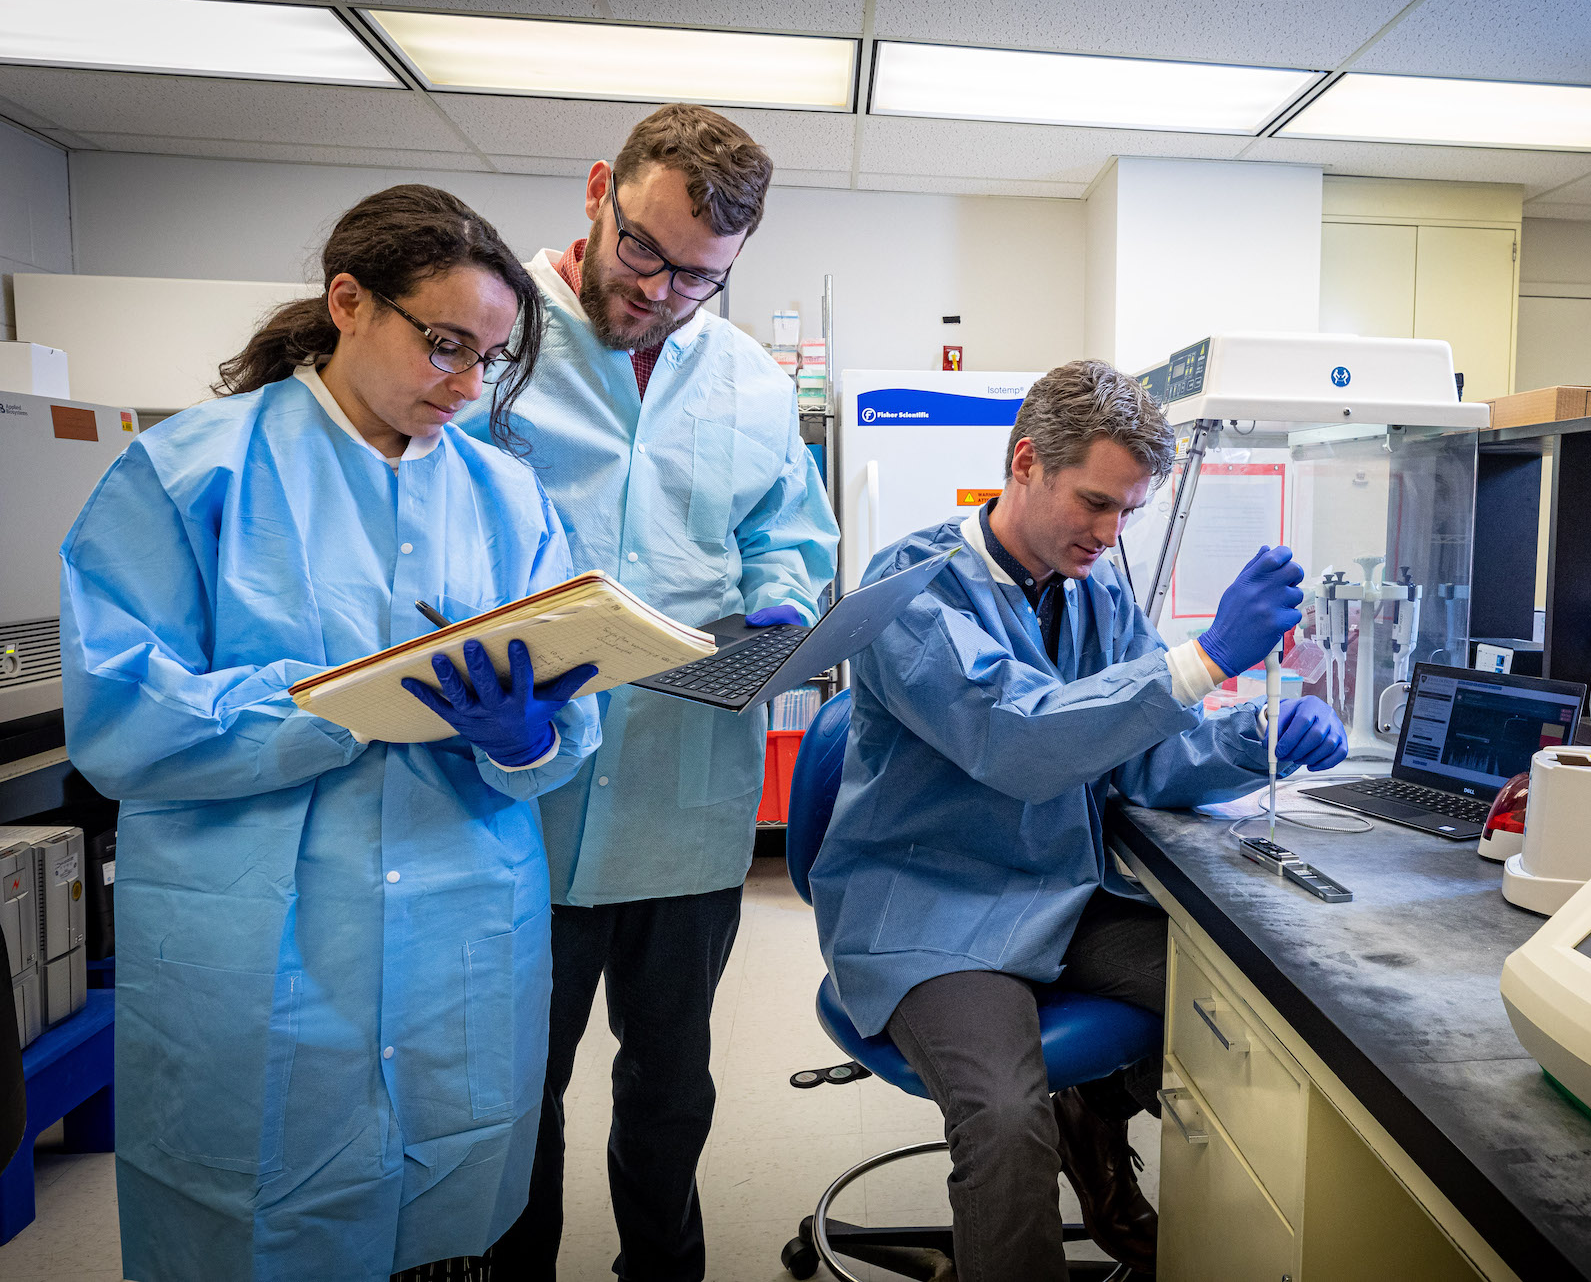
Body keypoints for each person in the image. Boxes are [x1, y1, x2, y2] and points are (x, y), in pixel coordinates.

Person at [59, 185, 603, 1282]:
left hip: (461, 929)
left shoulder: (507, 498)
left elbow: (569, 731)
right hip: (255, 946)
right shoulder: (192, 472)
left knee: (441, 1220)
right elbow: (118, 712)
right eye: (445, 344)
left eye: (488, 360)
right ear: (348, 302)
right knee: (256, 1215)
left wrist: (523, 736)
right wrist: (339, 705)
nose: (464, 383)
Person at [809, 359, 1347, 1280]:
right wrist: (1208, 654)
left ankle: (1097, 1116)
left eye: (1129, 512)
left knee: (1243, 997)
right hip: (935, 915)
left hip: (1058, 896)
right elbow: (1016, 741)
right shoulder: (911, 583)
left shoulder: (1095, 593)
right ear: (1026, 463)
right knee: (1006, 1119)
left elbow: (1149, 756)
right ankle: (1061, 1130)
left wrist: (1263, 737)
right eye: (1095, 502)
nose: (1111, 532)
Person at [460, 104, 837, 1281]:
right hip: (518, 794)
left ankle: (662, 1267)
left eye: (701, 277)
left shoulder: (745, 378)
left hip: (686, 795)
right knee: (518, 1085)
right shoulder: (489, 341)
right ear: (595, 193)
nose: (665, 291)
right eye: (645, 253)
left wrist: (780, 606)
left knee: (670, 1082)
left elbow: (789, 526)